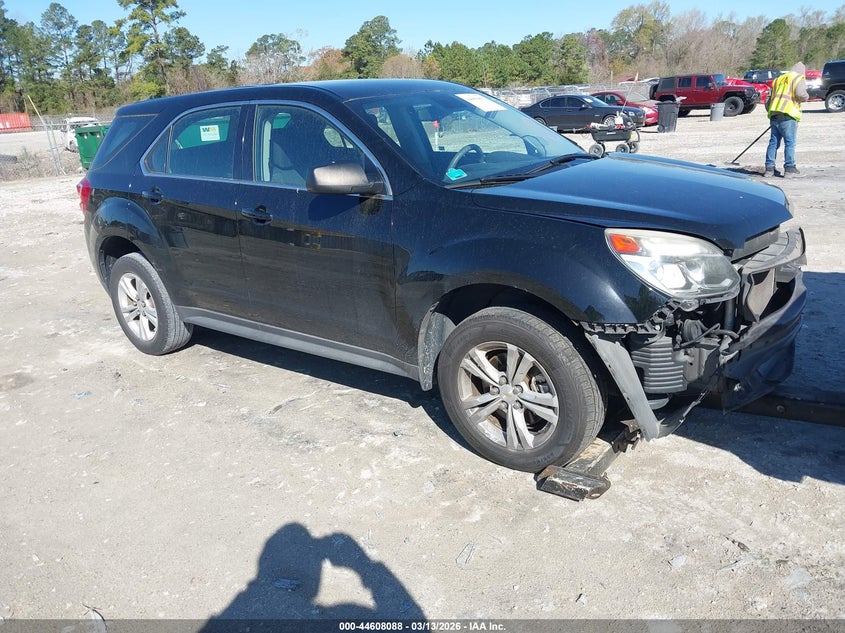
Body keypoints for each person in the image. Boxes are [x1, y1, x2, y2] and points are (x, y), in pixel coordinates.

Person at [763, 62, 809, 178]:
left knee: (773, 143)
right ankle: (789, 168)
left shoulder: (778, 79)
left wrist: (772, 111)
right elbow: (800, 94)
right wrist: (806, 97)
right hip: (789, 114)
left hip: (774, 114)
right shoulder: (798, 78)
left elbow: (768, 99)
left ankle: (769, 169)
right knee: (790, 143)